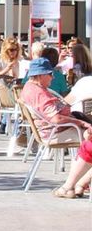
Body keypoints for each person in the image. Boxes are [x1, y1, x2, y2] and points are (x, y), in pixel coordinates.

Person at [20, 57, 92, 199]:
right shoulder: (38, 93)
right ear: (40, 75)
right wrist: (81, 123)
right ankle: (77, 184)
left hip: (59, 128)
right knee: (89, 141)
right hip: (57, 130)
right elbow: (56, 119)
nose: (53, 77)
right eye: (50, 74)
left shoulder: (33, 88)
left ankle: (79, 184)